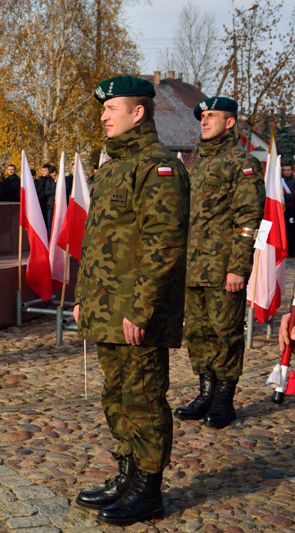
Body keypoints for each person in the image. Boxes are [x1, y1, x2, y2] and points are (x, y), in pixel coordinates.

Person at [72, 76, 189, 526]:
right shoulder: (114, 166)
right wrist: (85, 297)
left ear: (137, 113)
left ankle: (148, 491)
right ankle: (127, 475)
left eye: (111, 108)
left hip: (136, 312)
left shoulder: (158, 166)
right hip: (107, 308)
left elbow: (163, 243)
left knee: (143, 399)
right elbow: (98, 240)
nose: (103, 115)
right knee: (117, 396)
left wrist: (141, 309)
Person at [176, 97, 264, 429]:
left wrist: (238, 267)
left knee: (226, 332)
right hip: (192, 267)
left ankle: (224, 400)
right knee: (198, 333)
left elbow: (248, 219)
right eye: (202, 116)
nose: (204, 120)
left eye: (212, 115)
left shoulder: (241, 163)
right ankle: (205, 393)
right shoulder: (194, 165)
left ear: (230, 123)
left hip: (223, 268)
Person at [281, 163, 295, 256]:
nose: (286, 172)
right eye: (285, 170)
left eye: (288, 170)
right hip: (282, 209)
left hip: (292, 209)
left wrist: (286, 196)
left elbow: (294, 196)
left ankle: (292, 250)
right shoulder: (280, 181)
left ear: (291, 171)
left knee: (292, 231)